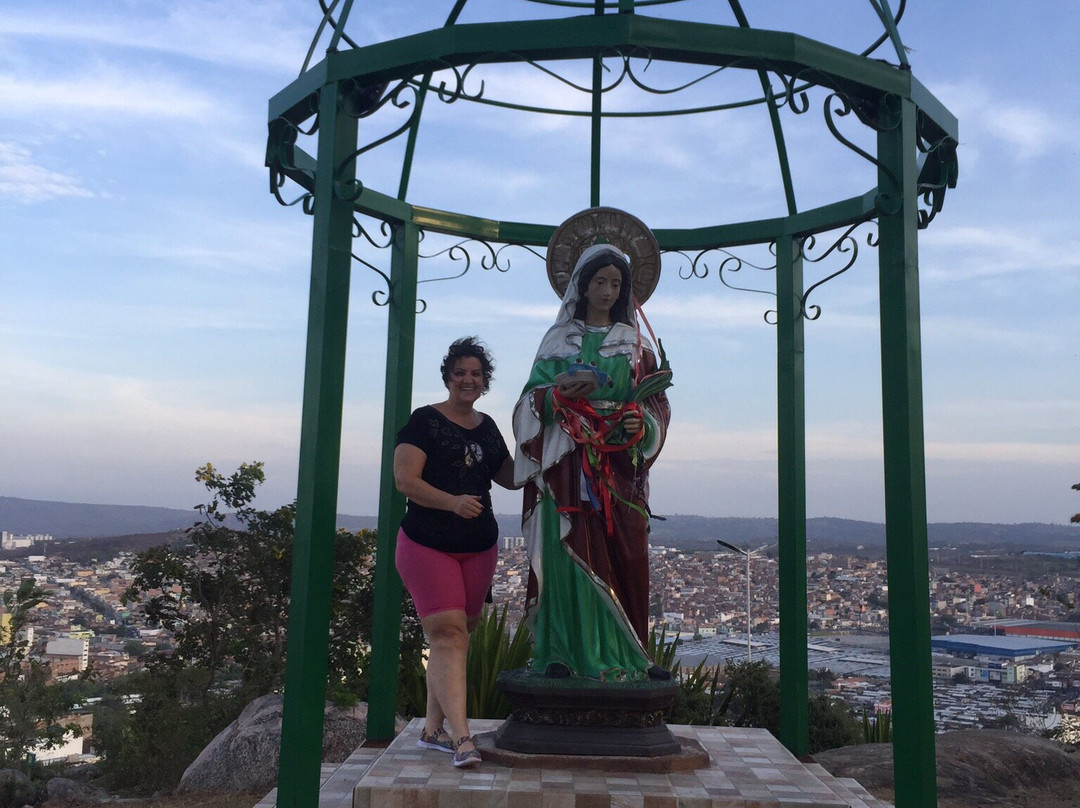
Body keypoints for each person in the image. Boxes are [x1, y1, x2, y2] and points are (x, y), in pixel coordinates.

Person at [513, 242, 672, 681]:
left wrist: (641, 423)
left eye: (616, 284)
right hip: (566, 463)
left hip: (618, 467)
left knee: (625, 553)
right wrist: (559, 394)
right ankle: (560, 651)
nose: (607, 291)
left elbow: (656, 406)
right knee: (567, 552)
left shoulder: (636, 346)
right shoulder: (557, 340)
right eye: (599, 281)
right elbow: (528, 403)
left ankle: (630, 655)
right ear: (582, 286)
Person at [394, 336, 516, 768]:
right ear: (448, 376)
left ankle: (432, 730)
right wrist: (451, 501)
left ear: (485, 381)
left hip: (478, 546)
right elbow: (405, 480)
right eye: (461, 372)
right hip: (428, 542)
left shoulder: (486, 426)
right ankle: (463, 739)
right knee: (448, 634)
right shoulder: (424, 421)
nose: (468, 379)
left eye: (476, 373)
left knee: (459, 634)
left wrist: (552, 441)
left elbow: (510, 476)